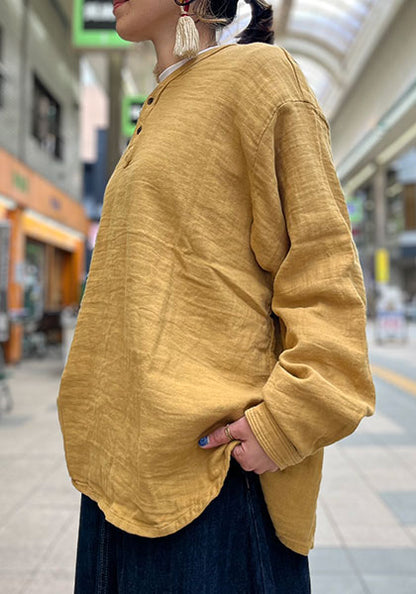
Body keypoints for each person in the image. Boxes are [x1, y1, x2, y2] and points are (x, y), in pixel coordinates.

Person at [56, 0, 376, 592]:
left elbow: (324, 268)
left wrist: (284, 424)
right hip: (116, 474)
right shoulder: (162, 100)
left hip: (213, 485)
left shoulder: (259, 75)